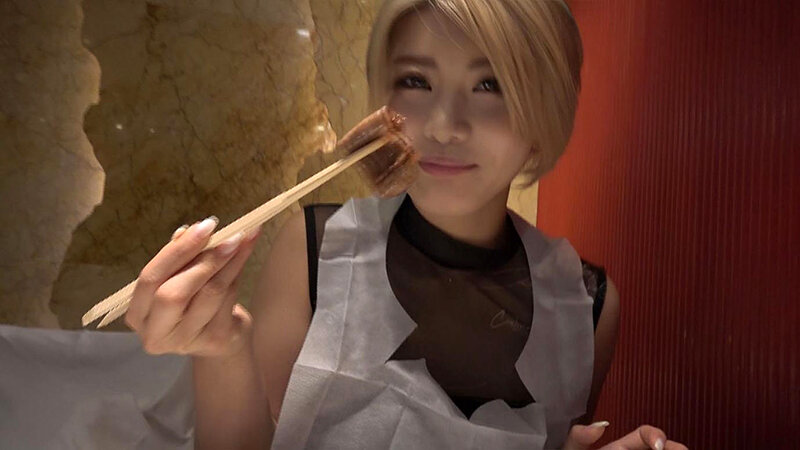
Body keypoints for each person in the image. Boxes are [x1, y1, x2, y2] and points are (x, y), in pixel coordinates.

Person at [124, 1, 687, 449]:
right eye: (416, 81)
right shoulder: (316, 248)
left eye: (489, 85)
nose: (443, 126)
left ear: (545, 111)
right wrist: (223, 350)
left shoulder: (586, 306)